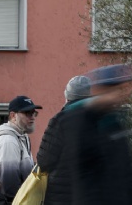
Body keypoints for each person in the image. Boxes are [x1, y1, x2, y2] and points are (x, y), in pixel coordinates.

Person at [62, 63, 132, 205]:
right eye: (113, 89)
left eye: (121, 89)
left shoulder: (115, 123)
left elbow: (126, 175)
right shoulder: (80, 122)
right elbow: (84, 178)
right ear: (100, 90)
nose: (118, 95)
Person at [35, 75, 91, 205]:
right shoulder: (99, 120)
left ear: (67, 97)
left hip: (61, 197)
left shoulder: (60, 121)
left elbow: (44, 161)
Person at [0, 95, 41, 205]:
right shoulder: (8, 141)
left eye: (34, 113)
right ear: (13, 116)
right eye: (27, 113)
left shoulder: (21, 137)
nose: (32, 117)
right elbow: (10, 186)